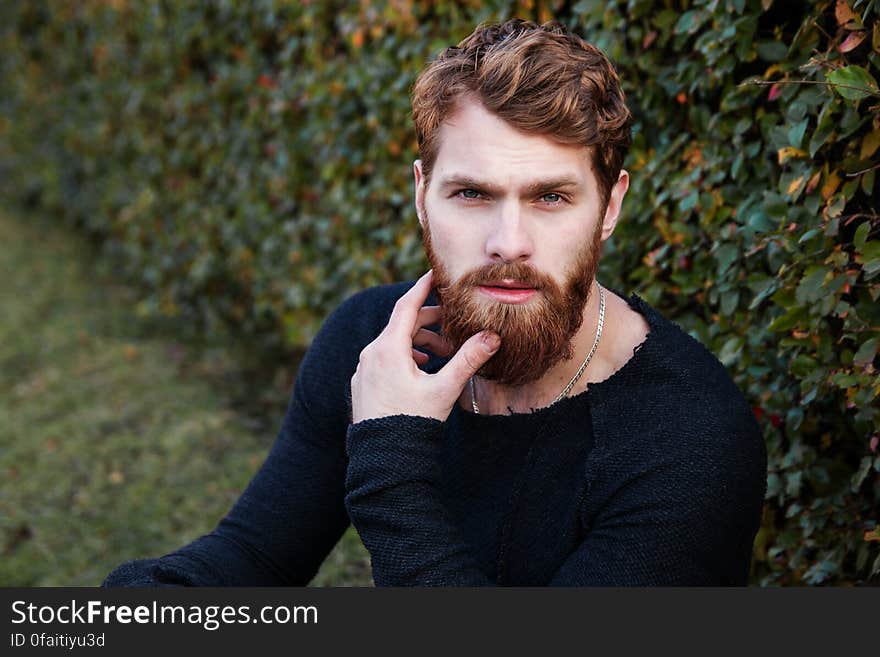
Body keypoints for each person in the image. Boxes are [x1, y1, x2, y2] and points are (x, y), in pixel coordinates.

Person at [104, 18, 766, 587]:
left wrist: (391, 455)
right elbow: (250, 556)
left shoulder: (689, 439)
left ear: (610, 205)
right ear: (423, 193)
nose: (510, 242)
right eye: (472, 194)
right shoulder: (373, 340)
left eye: (551, 197)